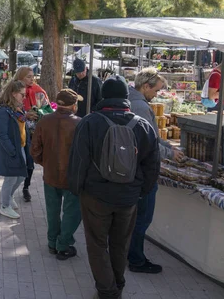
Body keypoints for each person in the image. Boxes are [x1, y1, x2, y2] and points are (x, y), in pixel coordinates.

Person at [68, 76, 160, 299]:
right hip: (128, 197)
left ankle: (108, 291)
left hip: (95, 196)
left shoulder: (89, 122)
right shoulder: (143, 125)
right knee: (120, 244)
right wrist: (140, 191)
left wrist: (76, 189)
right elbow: (152, 165)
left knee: (97, 244)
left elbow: (78, 161)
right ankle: (117, 284)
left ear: (103, 96)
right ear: (126, 98)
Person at [128, 68, 185, 274]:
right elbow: (147, 142)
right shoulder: (141, 107)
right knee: (142, 218)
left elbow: (151, 137)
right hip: (144, 172)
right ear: (145, 87)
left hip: (136, 169)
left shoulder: (134, 101)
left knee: (135, 217)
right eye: (156, 90)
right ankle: (135, 259)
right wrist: (168, 153)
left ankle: (131, 254)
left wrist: (168, 147)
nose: (157, 94)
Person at [31, 89, 82, 260]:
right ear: (73, 105)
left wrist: (46, 163)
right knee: (72, 212)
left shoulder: (45, 121)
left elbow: (35, 150)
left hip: (51, 175)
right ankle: (63, 243)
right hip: (71, 177)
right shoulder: (79, 123)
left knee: (53, 211)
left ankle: (53, 242)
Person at [0, 80, 34, 219]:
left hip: (20, 147)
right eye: (22, 95)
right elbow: (2, 135)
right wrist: (12, 151)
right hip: (11, 150)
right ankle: (5, 206)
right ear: (13, 94)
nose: (24, 97)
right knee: (10, 178)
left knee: (22, 175)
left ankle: (9, 197)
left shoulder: (17, 109)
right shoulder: (4, 111)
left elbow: (21, 127)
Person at [14, 66, 49, 202]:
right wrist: (25, 115)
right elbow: (8, 109)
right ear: (21, 77)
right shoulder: (13, 90)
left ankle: (26, 187)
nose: (32, 78)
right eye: (28, 76)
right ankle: (10, 188)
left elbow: (47, 107)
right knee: (21, 161)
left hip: (34, 133)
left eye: (32, 76)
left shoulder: (38, 90)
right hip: (19, 132)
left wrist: (41, 114)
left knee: (30, 163)